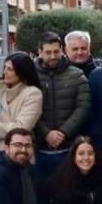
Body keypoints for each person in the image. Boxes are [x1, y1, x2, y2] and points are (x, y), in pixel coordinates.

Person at [34, 31, 92, 185]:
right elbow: (27, 109)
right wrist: (46, 133)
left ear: (62, 50)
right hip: (38, 149)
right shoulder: (30, 75)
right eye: (48, 52)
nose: (52, 56)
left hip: (69, 149)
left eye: (56, 51)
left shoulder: (77, 75)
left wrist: (63, 133)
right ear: (40, 52)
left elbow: (83, 107)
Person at [0, 53, 43, 177]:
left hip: (15, 156)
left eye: (10, 69)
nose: (5, 72)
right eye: (5, 68)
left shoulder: (33, 94)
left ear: (22, 72)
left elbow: (21, 128)